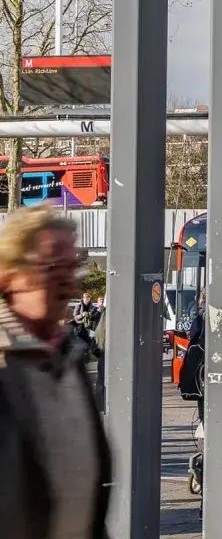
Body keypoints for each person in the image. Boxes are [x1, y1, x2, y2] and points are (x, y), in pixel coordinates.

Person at [0, 205, 111, 539]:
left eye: (71, 266)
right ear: (10, 276)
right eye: (51, 266)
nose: (67, 281)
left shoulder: (69, 358)